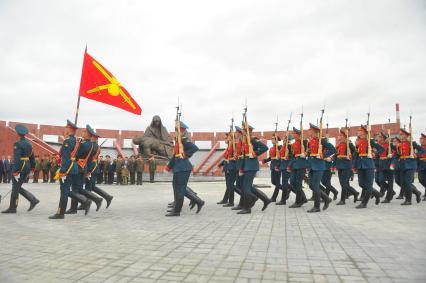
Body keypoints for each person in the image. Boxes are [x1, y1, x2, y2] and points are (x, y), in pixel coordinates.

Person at [49, 120, 92, 219]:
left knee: (64, 191)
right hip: (74, 168)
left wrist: (63, 172)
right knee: (67, 191)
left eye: (66, 128)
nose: (65, 129)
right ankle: (84, 201)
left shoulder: (68, 141)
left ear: (69, 130)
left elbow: (66, 158)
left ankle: (61, 213)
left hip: (68, 169)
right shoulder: (77, 141)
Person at [165, 121, 204, 216]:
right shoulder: (179, 141)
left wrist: (186, 155)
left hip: (183, 168)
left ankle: (177, 211)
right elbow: (175, 155)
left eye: (176, 130)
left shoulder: (183, 139)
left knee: (180, 190)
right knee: (177, 188)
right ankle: (196, 202)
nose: (175, 132)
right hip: (179, 168)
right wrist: (169, 166)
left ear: (181, 130)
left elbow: (194, 148)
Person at [2, 124, 40, 214]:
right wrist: (32, 168)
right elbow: (32, 157)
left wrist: (15, 171)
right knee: (17, 187)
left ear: (17, 133)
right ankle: (30, 200)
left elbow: (17, 158)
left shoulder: (18, 144)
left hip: (20, 167)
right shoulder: (29, 144)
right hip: (26, 166)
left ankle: (14, 207)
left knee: (15, 187)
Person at [66, 124, 103, 214]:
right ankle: (96, 199)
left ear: (88, 134)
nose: (82, 133)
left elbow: (74, 154)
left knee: (75, 188)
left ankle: (75, 208)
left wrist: (72, 143)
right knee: (79, 189)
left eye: (84, 132)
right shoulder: (90, 145)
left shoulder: (83, 144)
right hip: (84, 167)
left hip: (78, 167)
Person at [237, 124, 270, 214]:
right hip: (246, 166)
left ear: (247, 131)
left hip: (251, 166)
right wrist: (241, 168)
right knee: (247, 187)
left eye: (243, 130)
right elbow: (244, 156)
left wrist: (255, 153)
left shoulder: (252, 139)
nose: (242, 131)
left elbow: (264, 148)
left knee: (246, 187)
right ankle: (265, 199)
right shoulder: (245, 141)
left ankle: (247, 208)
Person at [305, 123, 335, 213]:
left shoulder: (322, 140)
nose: (308, 131)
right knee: (311, 185)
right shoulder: (311, 141)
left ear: (314, 131)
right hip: (312, 165)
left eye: (310, 130)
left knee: (315, 185)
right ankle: (326, 199)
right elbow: (310, 152)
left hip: (319, 166)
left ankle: (317, 207)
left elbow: (333, 150)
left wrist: (323, 155)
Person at [354, 125, 384, 209]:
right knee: (361, 184)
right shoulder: (358, 142)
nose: (358, 132)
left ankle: (364, 203)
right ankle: (377, 194)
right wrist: (354, 165)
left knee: (368, 185)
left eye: (360, 130)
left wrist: (375, 154)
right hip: (360, 165)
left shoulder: (370, 141)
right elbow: (356, 154)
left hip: (369, 165)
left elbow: (381, 149)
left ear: (364, 132)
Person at [84, 127, 113, 208]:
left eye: (91, 136)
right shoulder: (96, 146)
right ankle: (107, 197)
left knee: (88, 187)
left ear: (93, 137)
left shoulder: (92, 146)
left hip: (91, 168)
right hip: (94, 167)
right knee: (91, 186)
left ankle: (86, 202)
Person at [397, 128, 424, 205]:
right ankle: (417, 192)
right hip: (402, 165)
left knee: (407, 182)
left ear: (406, 135)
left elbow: (422, 150)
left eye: (402, 134)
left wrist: (416, 154)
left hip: (411, 165)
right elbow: (398, 154)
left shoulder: (412, 143)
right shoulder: (400, 144)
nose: (401, 136)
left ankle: (408, 200)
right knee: (403, 183)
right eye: (400, 134)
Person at [335, 129, 358, 205]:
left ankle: (343, 200)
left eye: (341, 135)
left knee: (344, 183)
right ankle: (355, 193)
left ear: (344, 136)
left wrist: (351, 157)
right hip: (340, 165)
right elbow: (336, 154)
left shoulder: (349, 144)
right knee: (342, 183)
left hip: (346, 165)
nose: (339, 136)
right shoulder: (339, 144)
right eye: (339, 135)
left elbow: (355, 152)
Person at [288, 127, 308, 208]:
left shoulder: (304, 141)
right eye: (293, 133)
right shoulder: (294, 143)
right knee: (292, 182)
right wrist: (290, 165)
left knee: (298, 184)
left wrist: (305, 154)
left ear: (298, 134)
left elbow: (309, 151)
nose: (293, 135)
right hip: (295, 165)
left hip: (301, 164)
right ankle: (303, 198)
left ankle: (298, 202)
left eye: (294, 133)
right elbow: (293, 156)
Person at [217, 132, 237, 206]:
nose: (224, 139)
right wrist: (221, 164)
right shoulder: (229, 146)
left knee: (230, 185)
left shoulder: (234, 146)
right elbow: (227, 157)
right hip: (227, 167)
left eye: (226, 138)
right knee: (228, 185)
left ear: (230, 138)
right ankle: (225, 199)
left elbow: (234, 158)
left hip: (232, 168)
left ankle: (231, 202)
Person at [376, 132, 396, 203]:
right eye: (378, 137)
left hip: (389, 164)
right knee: (381, 180)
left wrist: (393, 164)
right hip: (382, 165)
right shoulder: (379, 146)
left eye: (380, 137)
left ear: (384, 139)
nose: (378, 138)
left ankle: (388, 198)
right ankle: (391, 192)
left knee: (390, 182)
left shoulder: (390, 146)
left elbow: (396, 154)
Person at [263, 134, 283, 203]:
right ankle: (286, 189)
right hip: (272, 166)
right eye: (271, 138)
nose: (272, 140)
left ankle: (274, 198)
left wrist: (279, 165)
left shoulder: (280, 147)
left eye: (273, 138)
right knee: (273, 182)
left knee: (277, 183)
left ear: (277, 140)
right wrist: (265, 160)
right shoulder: (271, 148)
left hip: (278, 166)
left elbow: (281, 158)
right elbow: (271, 157)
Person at [418, 133, 426, 201]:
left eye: (422, 139)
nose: (420, 140)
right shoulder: (419, 148)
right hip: (421, 165)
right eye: (420, 139)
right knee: (421, 179)